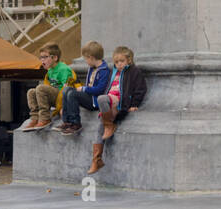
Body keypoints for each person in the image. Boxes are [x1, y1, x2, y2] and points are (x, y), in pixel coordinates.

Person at [87, 46, 147, 175]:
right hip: (109, 103)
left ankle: (110, 125)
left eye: (122, 61)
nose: (119, 64)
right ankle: (96, 160)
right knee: (100, 128)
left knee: (102, 99)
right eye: (116, 62)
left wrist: (135, 103)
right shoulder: (113, 72)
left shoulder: (134, 71)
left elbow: (140, 89)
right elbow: (107, 88)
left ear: (129, 61)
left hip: (120, 102)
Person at [58, 43, 110, 134]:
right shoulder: (92, 67)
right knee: (67, 90)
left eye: (86, 59)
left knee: (73, 94)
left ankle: (75, 123)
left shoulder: (104, 70)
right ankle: (66, 121)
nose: (86, 61)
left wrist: (84, 89)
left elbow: (100, 89)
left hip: (95, 101)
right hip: (88, 96)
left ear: (91, 58)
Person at [22, 45, 75, 130]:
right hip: (53, 96)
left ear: (55, 58)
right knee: (31, 92)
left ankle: (45, 118)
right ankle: (35, 118)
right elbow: (49, 87)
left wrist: (61, 107)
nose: (42, 60)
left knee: (41, 88)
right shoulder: (50, 70)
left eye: (45, 57)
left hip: (62, 98)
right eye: (41, 57)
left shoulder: (64, 69)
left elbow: (67, 88)